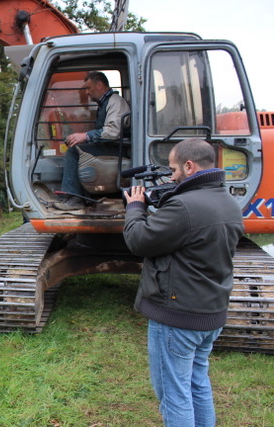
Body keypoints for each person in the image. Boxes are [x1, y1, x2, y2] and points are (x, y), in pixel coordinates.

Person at [123, 139, 244, 426]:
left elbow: (139, 241)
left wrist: (135, 208)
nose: (172, 176)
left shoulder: (184, 206)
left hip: (178, 317)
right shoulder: (228, 202)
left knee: (174, 394)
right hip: (209, 315)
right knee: (196, 383)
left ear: (190, 166)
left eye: (175, 169)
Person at [54, 71, 130, 210]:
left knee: (73, 152)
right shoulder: (106, 103)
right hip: (111, 146)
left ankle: (73, 198)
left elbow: (113, 132)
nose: (87, 93)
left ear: (100, 85)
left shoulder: (115, 102)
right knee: (78, 147)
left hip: (117, 149)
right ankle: (82, 197)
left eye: (89, 88)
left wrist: (85, 136)